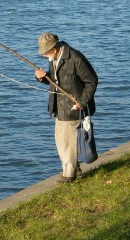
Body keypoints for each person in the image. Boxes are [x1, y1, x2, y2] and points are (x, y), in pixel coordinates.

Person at [35, 32, 98, 183]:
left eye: (46, 52)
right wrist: (42, 77)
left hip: (74, 108)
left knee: (67, 143)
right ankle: (75, 169)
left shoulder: (76, 58)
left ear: (54, 48)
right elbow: (57, 80)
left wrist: (82, 102)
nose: (44, 55)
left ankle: (69, 175)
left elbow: (92, 81)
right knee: (61, 141)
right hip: (59, 107)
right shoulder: (54, 58)